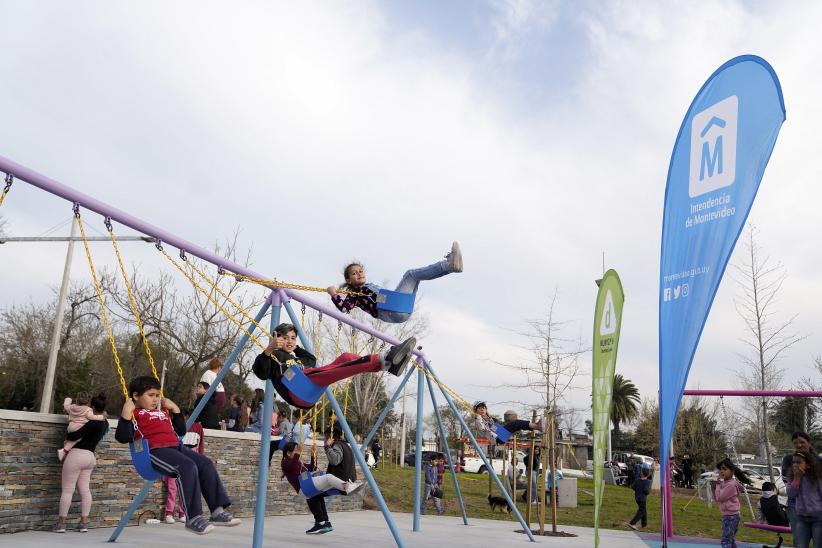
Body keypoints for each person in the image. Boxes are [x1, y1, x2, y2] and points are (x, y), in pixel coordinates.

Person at [115, 376, 240, 535]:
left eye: (157, 395)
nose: (155, 399)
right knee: (187, 467)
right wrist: (126, 413)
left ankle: (217, 511)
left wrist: (175, 410)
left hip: (176, 447)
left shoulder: (162, 412)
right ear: (136, 396)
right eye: (151, 395)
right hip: (155, 451)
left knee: (205, 463)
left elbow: (181, 431)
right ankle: (193, 518)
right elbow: (122, 437)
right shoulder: (135, 414)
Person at [252, 323, 416, 409]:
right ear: (276, 338)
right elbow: (261, 373)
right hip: (299, 392)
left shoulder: (297, 359)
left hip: (311, 388)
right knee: (319, 373)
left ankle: (385, 365)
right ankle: (381, 357)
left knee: (346, 358)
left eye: (293, 338)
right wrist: (270, 347)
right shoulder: (273, 357)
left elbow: (310, 358)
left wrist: (296, 348)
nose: (289, 341)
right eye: (285, 338)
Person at [326, 242, 463, 324]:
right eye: (354, 273)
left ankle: (451, 267)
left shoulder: (369, 287)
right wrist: (333, 294)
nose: (359, 274)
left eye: (360, 271)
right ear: (349, 280)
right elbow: (344, 308)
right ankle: (448, 265)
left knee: (416, 277)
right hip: (390, 312)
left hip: (402, 311)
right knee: (411, 274)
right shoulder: (354, 294)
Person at [280, 441, 364, 535]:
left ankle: (324, 523)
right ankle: (348, 487)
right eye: (296, 450)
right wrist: (298, 455)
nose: (299, 451)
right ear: (288, 453)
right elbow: (294, 467)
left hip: (307, 486)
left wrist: (312, 456)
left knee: (325, 490)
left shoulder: (298, 462)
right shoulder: (285, 462)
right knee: (328, 478)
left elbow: (310, 468)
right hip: (303, 488)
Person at [53, 393, 108, 533]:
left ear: (93, 406)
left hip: (77, 455)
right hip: (90, 457)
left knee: (67, 490)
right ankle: (83, 523)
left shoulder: (92, 422)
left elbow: (73, 435)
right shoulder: (104, 423)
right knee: (85, 490)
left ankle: (61, 524)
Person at [163, 412, 206, 524]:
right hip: (176, 459)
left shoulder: (198, 427)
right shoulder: (177, 426)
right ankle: (169, 513)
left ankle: (182, 513)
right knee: (173, 488)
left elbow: (200, 445)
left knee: (186, 488)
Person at [782, 432, 822, 534]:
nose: (799, 445)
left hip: (816, 505)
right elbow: (787, 480)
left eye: (802, 442)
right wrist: (796, 477)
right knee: (798, 537)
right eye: (795, 443)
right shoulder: (788, 459)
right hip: (795, 502)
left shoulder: (819, 460)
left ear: (809, 443)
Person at [711, 457, 751, 548]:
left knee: (726, 541)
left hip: (731, 516)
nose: (721, 471)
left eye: (725, 469)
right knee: (730, 539)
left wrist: (717, 485)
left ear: (732, 472)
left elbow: (720, 497)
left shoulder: (731, 485)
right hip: (729, 515)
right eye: (720, 469)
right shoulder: (724, 483)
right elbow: (716, 498)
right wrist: (713, 487)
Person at [786, 451, 822, 548]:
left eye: (799, 462)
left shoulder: (817, 477)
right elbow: (791, 494)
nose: (795, 465)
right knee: (800, 545)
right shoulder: (793, 478)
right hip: (802, 519)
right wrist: (797, 479)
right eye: (793, 462)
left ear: (808, 465)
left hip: (818, 519)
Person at [58, 392, 106, 462]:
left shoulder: (72, 407)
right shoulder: (88, 410)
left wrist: (68, 399)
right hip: (79, 427)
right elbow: (91, 417)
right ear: (88, 402)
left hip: (71, 426)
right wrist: (101, 417)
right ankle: (64, 450)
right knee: (75, 440)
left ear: (77, 400)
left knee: (69, 440)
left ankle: (65, 451)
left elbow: (66, 406)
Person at [472, 401, 542, 445]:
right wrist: (478, 417)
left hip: (500, 433)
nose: (482, 409)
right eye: (480, 408)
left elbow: (496, 426)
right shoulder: (478, 420)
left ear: (486, 409)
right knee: (516, 423)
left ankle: (537, 427)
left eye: (483, 408)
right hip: (497, 438)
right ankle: (537, 426)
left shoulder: (489, 418)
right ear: (476, 411)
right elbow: (482, 430)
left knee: (517, 424)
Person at [627, 464, 652, 531]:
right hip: (642, 498)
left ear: (642, 473)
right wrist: (647, 492)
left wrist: (638, 490)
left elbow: (632, 487)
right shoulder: (647, 482)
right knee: (642, 511)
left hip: (637, 497)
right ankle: (632, 523)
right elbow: (646, 491)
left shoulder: (637, 480)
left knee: (644, 510)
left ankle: (644, 524)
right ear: (648, 474)